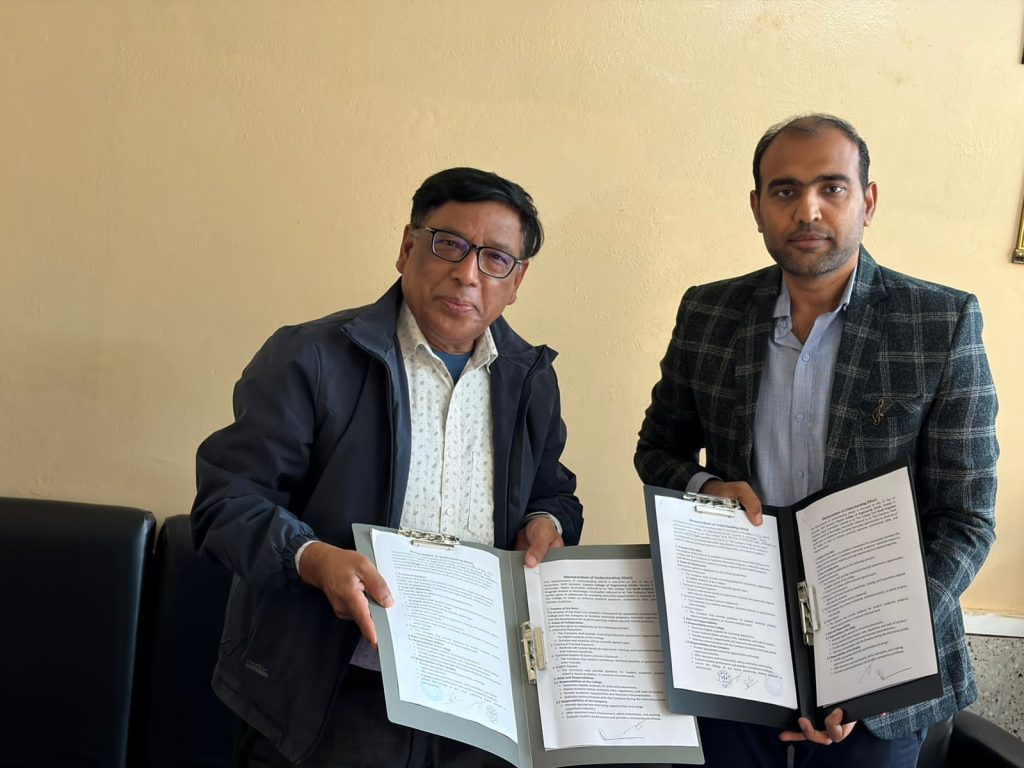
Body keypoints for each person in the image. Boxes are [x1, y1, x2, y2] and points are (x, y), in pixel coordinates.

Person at [635, 114, 998, 768]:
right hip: (738, 648)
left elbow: (966, 519)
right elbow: (657, 451)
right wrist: (706, 486)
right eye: (785, 190)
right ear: (757, 207)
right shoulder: (708, 314)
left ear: (868, 201)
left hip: (884, 673)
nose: (807, 210)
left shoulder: (940, 322)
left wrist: (872, 656)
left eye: (832, 187)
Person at [192, 167, 583, 767]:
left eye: (495, 259)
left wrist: (547, 522)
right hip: (337, 692)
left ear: (516, 281)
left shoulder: (529, 379)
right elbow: (227, 503)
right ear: (407, 247)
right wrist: (312, 557)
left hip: (478, 694)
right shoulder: (311, 357)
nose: (468, 273)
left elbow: (553, 493)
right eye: (449, 244)